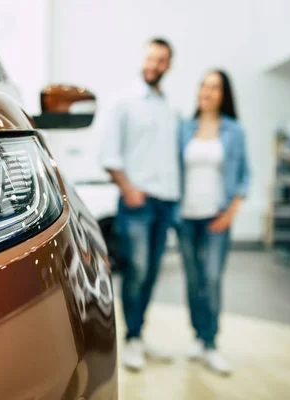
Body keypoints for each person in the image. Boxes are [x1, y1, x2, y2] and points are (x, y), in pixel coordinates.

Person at [101, 38, 180, 371]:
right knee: (137, 272)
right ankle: (131, 338)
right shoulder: (124, 102)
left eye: (162, 60)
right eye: (151, 58)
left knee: (151, 275)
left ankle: (138, 334)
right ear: (143, 60)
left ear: (168, 65)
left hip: (165, 204)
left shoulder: (170, 108)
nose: (155, 65)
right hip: (136, 203)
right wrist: (129, 189)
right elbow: (108, 154)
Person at [177, 70, 250, 375]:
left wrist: (230, 213)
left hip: (217, 217)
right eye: (203, 85)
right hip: (185, 218)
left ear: (223, 95)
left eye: (215, 87)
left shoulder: (234, 130)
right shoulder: (183, 128)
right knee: (193, 281)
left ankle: (211, 343)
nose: (207, 91)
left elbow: (246, 175)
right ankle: (198, 336)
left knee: (212, 279)